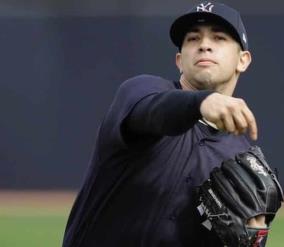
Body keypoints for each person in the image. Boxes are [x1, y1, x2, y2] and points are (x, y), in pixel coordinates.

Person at [63, 2, 266, 246]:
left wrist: (253, 239)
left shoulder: (240, 157)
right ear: (180, 61)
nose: (204, 44)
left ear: (243, 60)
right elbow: (154, 110)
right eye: (193, 38)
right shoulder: (141, 92)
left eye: (219, 37)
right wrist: (202, 102)